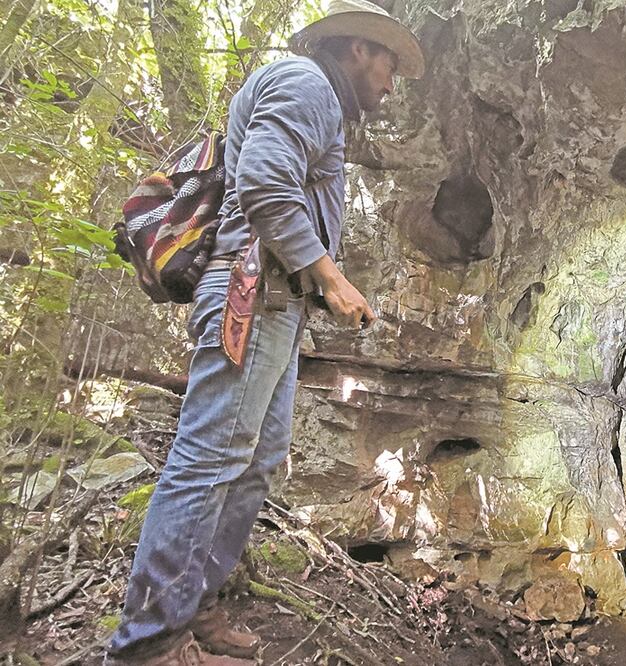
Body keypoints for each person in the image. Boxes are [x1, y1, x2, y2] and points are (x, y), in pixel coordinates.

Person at [104, 1, 424, 663]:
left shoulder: (316, 97)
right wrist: (330, 277)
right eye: (389, 65)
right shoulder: (307, 84)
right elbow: (265, 183)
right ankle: (145, 644)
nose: (392, 85)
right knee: (208, 463)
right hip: (251, 297)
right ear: (358, 49)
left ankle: (193, 606)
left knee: (252, 464)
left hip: (274, 304)